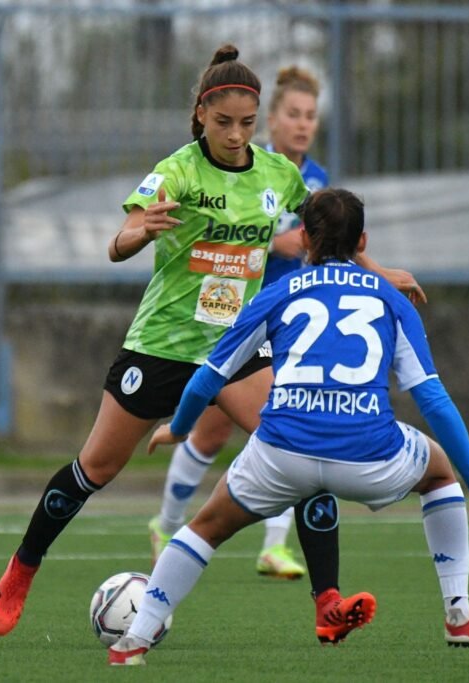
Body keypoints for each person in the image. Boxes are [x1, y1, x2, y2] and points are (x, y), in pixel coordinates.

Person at [0, 45, 424, 644]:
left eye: (247, 123)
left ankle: (327, 600)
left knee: (302, 453)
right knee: (95, 468)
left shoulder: (278, 174)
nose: (237, 135)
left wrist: (377, 271)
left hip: (238, 347)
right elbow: (120, 241)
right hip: (162, 344)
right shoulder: (178, 170)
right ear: (200, 116)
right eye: (224, 124)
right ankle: (21, 571)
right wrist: (137, 233)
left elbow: (329, 231)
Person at [108, 188, 469, 666]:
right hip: (370, 456)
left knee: (204, 528)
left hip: (281, 455)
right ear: (362, 241)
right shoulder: (391, 298)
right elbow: (434, 400)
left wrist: (179, 427)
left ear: (303, 238)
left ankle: (133, 639)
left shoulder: (276, 295)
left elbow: (207, 377)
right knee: (440, 473)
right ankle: (458, 614)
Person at [148, 65, 336, 580]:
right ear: (270, 120)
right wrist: (277, 243)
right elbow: (227, 232)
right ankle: (165, 525)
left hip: (290, 318)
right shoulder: (246, 167)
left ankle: (274, 546)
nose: (302, 124)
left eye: (311, 116)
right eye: (292, 114)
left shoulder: (312, 180)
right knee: (209, 436)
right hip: (234, 313)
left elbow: (329, 237)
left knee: (287, 424)